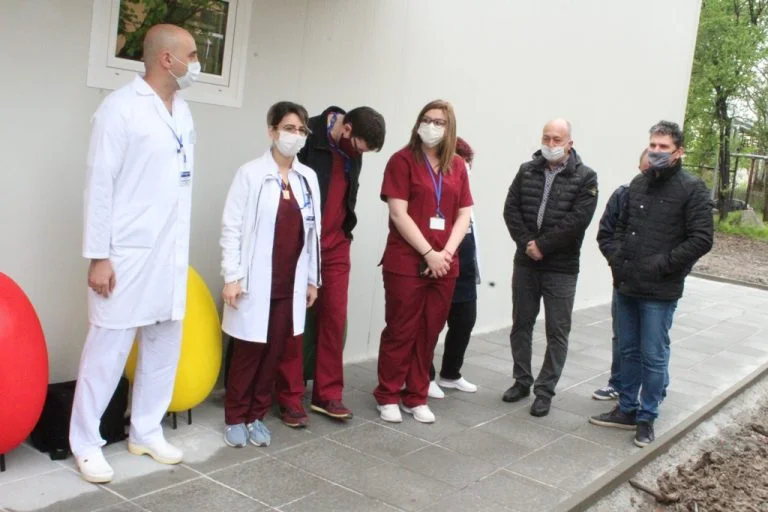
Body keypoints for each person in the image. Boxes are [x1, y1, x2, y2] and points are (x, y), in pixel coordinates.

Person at [69, 24, 199, 483]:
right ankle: (85, 443)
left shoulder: (183, 111)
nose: (196, 65)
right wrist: (99, 255)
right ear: (167, 59)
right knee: (106, 352)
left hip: (168, 252)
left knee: (163, 345)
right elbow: (99, 184)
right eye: (192, 55)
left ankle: (145, 430)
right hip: (126, 253)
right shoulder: (120, 109)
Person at [590, 121, 713, 448]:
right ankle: (627, 408)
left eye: (663, 147)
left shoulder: (692, 189)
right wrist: (618, 259)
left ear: (679, 151)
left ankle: (647, 416)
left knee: (653, 355)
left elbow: (701, 238)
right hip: (627, 284)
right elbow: (619, 227)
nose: (656, 151)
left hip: (660, 290)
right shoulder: (638, 183)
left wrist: (664, 264)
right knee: (628, 350)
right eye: (653, 145)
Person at [219, 101, 322, 447]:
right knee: (248, 352)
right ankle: (235, 416)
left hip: (290, 284)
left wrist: (312, 279)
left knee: (274, 353)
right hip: (254, 282)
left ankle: (256, 416)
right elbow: (232, 228)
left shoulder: (308, 179)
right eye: (289, 128)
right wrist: (232, 277)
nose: (295, 136)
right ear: (272, 131)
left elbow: (314, 234)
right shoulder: (250, 174)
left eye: (301, 130)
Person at [275, 106, 385, 426]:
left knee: (334, 319)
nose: (360, 154)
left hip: (337, 246)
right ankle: (289, 396)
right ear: (346, 129)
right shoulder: (307, 135)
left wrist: (345, 233)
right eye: (360, 147)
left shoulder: (354, 149)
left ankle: (327, 394)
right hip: (301, 244)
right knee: (294, 320)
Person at [375, 99, 473, 424]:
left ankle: (416, 395)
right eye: (426, 120)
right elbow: (398, 213)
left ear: (450, 128)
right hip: (407, 261)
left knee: (429, 332)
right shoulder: (401, 161)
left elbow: (464, 214)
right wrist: (429, 253)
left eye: (439, 122)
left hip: (444, 264)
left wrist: (445, 254)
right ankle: (388, 394)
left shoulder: (457, 165)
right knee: (401, 329)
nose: (432, 126)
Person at [502, 118, 598, 418]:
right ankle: (521, 380)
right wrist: (527, 243)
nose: (551, 144)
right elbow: (511, 209)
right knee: (521, 324)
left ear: (570, 143)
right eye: (546, 138)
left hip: (561, 268)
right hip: (526, 262)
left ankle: (544, 391)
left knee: (557, 331)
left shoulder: (586, 177)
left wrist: (543, 246)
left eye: (557, 139)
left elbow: (577, 221)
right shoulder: (526, 170)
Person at [592, 150, 650, 401]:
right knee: (622, 335)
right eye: (645, 170)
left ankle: (651, 389)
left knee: (653, 341)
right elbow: (606, 233)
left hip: (658, 285)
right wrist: (618, 263)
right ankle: (618, 382)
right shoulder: (623, 195)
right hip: (624, 281)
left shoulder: (676, 199)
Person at [427, 137, 481, 399]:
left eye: (469, 162)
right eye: (462, 161)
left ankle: (450, 373)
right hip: (443, 265)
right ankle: (424, 376)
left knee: (465, 321)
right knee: (431, 324)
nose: (466, 167)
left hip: (466, 270)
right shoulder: (439, 190)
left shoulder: (465, 193)